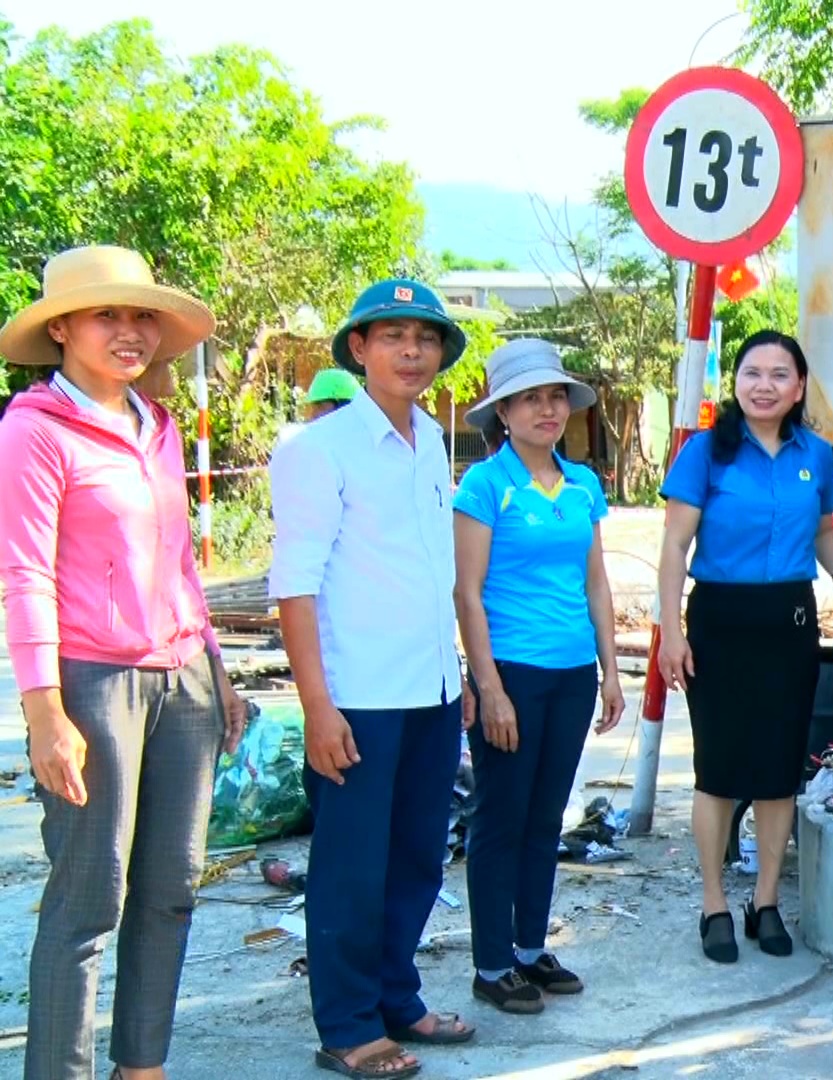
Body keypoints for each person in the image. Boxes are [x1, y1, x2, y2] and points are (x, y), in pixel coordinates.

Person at [0, 244, 249, 1080]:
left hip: (182, 683)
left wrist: (214, 666)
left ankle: (141, 1066)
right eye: (109, 314)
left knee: (172, 885)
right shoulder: (35, 430)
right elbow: (25, 572)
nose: (130, 331)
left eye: (142, 315)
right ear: (62, 328)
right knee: (87, 899)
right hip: (91, 684)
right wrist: (44, 713)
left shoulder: (159, 425)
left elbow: (180, 559)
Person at [269, 278, 475, 1079]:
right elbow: (296, 583)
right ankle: (349, 1024)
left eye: (425, 338)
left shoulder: (431, 437)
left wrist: (454, 676)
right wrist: (316, 707)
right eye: (392, 336)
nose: (411, 351)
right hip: (356, 696)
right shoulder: (318, 448)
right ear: (359, 349)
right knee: (352, 868)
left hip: (427, 690)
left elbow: (430, 572)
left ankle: (397, 995)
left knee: (420, 857)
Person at [655, 329, 833, 965]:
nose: (763, 385)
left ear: (798, 388)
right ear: (735, 384)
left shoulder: (815, 456)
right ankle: (714, 903)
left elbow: (824, 535)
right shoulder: (706, 453)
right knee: (716, 772)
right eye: (751, 373)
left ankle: (764, 901)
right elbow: (673, 549)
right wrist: (672, 633)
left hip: (789, 621)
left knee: (775, 773)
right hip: (718, 619)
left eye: (778, 375)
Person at [452, 340, 624, 1014]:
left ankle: (528, 949)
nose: (546, 409)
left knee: (546, 815)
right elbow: (466, 594)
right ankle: (491, 964)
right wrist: (487, 686)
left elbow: (597, 583)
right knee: (501, 816)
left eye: (555, 396)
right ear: (504, 412)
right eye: (530, 398)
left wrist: (611, 671)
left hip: (573, 672)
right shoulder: (485, 486)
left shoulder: (583, 484)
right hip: (513, 675)